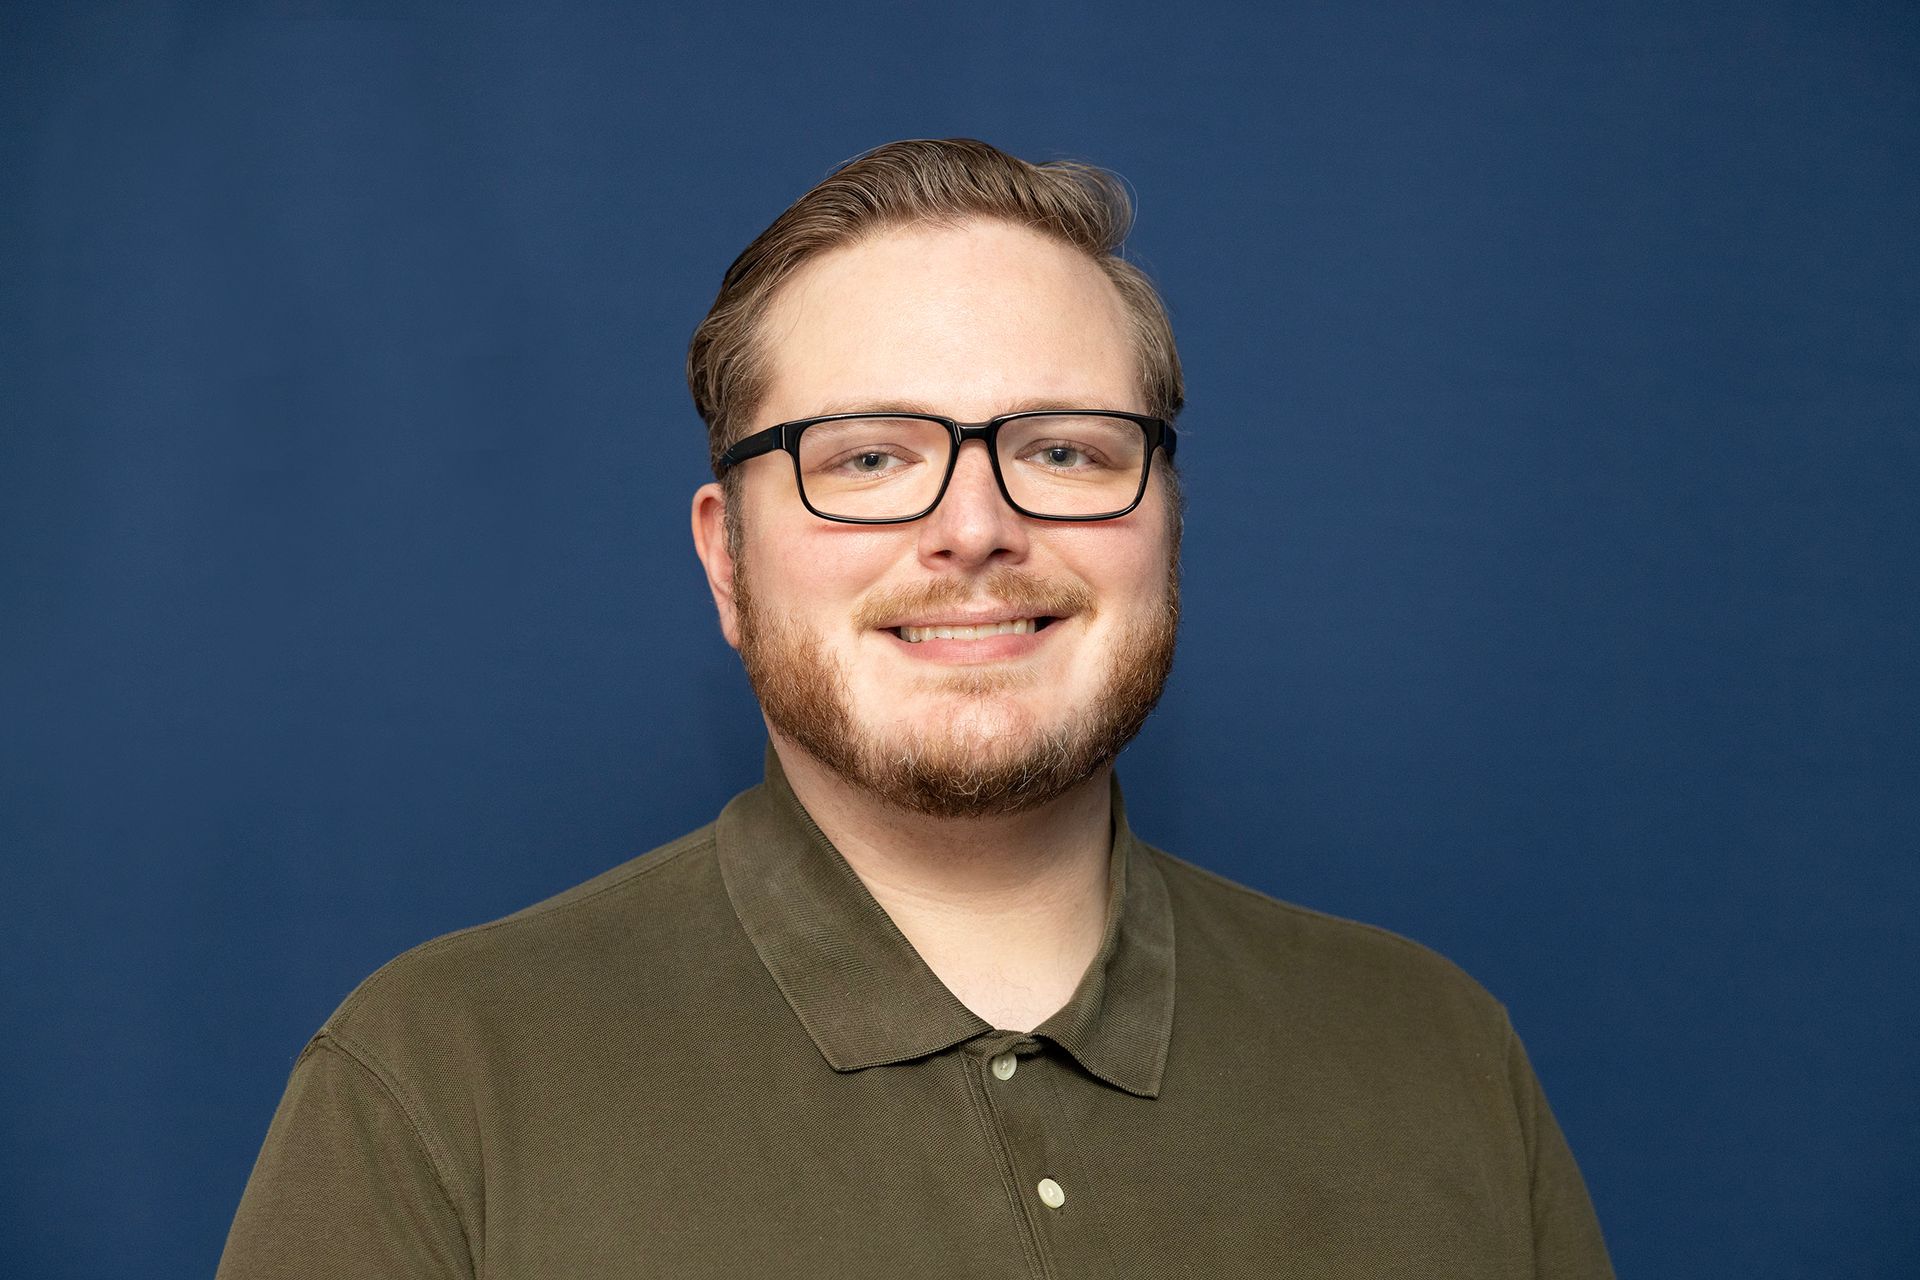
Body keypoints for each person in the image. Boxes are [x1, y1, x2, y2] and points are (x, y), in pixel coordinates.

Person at [218, 138, 1614, 1278]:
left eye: (1063, 450)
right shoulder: (435, 1084)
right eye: (869, 458)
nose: (976, 526)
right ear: (725, 559)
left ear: (1168, 524)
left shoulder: (1440, 1056)